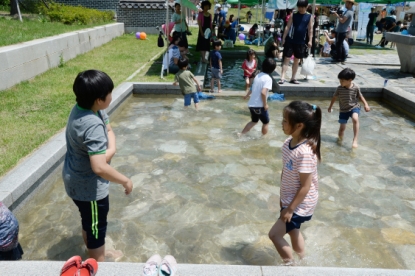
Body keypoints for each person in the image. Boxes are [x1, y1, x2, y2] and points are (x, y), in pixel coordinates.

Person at [63, 70, 133, 261]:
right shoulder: (91, 125)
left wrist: (111, 149)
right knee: (96, 228)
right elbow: (99, 167)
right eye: (110, 92)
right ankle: (98, 262)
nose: (112, 94)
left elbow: (108, 129)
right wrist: (125, 181)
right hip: (89, 189)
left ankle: (94, 252)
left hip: (75, 178)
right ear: (99, 99)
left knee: (89, 222)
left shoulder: (85, 107)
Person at [268, 100, 321, 264]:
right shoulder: (287, 144)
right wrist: (283, 199)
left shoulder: (304, 152)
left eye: (285, 120)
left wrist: (290, 209)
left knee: (274, 234)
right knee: (293, 231)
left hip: (300, 203)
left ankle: (290, 267)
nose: (282, 123)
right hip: (290, 199)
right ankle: (304, 260)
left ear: (299, 126)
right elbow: (286, 172)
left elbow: (306, 186)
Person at [328, 68, 370, 148]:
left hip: (354, 107)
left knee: (355, 118)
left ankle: (355, 139)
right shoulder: (339, 88)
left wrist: (366, 104)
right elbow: (334, 97)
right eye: (340, 80)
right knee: (342, 129)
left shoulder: (355, 87)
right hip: (343, 110)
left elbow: (360, 96)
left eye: (342, 81)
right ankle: (339, 141)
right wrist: (330, 107)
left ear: (350, 80)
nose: (340, 82)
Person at [280, 0, 313, 85]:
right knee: (286, 58)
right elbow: (287, 27)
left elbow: (310, 29)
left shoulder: (309, 16)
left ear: (306, 7)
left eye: (302, 7)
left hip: (301, 41)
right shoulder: (293, 14)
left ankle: (293, 78)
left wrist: (310, 40)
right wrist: (284, 38)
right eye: (299, 7)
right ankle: (282, 77)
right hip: (290, 40)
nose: (300, 9)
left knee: (297, 60)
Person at [241, 58, 277, 136]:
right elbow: (263, 93)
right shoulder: (268, 79)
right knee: (266, 122)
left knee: (254, 121)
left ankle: (241, 134)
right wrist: (265, 104)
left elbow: (252, 88)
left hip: (251, 104)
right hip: (259, 106)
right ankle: (264, 138)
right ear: (272, 70)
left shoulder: (257, 76)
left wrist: (247, 95)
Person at [332, 0, 356, 64]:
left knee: (339, 45)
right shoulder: (348, 11)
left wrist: (337, 15)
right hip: (341, 30)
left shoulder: (349, 12)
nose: (345, 4)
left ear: (350, 3)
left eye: (346, 3)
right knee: (340, 45)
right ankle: (342, 57)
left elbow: (342, 21)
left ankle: (339, 58)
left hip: (341, 31)